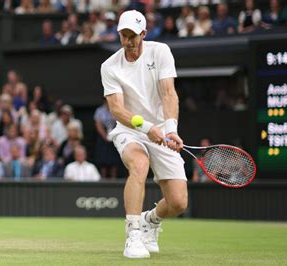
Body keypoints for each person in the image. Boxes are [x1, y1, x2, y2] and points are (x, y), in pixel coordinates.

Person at [101, 10, 187, 258]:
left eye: (133, 36)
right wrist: (147, 129)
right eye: (123, 35)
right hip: (130, 131)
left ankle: (150, 220)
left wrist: (170, 129)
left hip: (162, 128)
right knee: (139, 164)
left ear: (143, 34)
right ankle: (133, 235)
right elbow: (117, 109)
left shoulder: (160, 52)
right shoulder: (109, 66)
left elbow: (169, 93)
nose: (128, 41)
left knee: (178, 203)